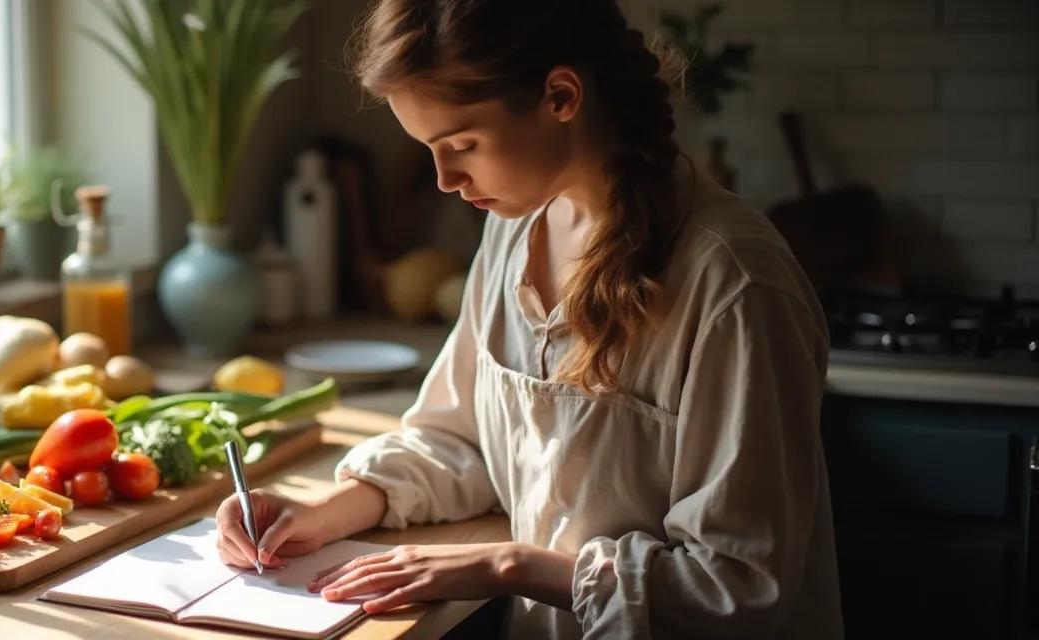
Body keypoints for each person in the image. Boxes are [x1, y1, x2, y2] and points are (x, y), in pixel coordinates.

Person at [213, 0, 845, 637]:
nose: (444, 178)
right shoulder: (513, 232)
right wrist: (326, 510)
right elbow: (463, 437)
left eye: (461, 144)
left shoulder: (735, 285)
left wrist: (509, 564)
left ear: (561, 96)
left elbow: (736, 585)